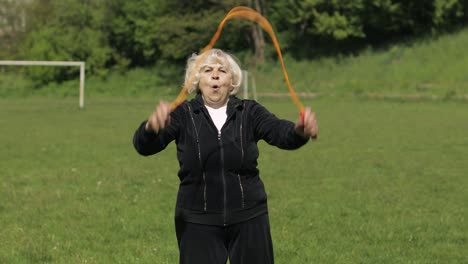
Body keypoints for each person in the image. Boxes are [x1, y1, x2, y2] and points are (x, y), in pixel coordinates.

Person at [133, 48, 318, 264]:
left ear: (232, 81)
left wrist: (298, 130)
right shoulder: (182, 114)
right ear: (196, 79)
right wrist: (150, 128)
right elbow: (143, 146)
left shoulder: (249, 112)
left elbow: (279, 131)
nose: (215, 74)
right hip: (197, 221)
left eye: (222, 70)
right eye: (207, 70)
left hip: (249, 217)